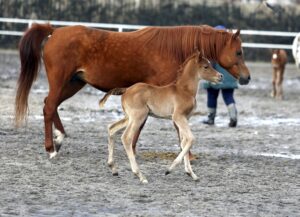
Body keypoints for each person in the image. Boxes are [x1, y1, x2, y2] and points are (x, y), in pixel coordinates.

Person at [202, 25, 238, 127]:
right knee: (228, 96)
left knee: (212, 95)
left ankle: (211, 118)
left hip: (216, 75)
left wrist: (208, 77)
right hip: (230, 76)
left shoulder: (212, 46)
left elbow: (211, 63)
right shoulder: (232, 45)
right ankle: (233, 117)